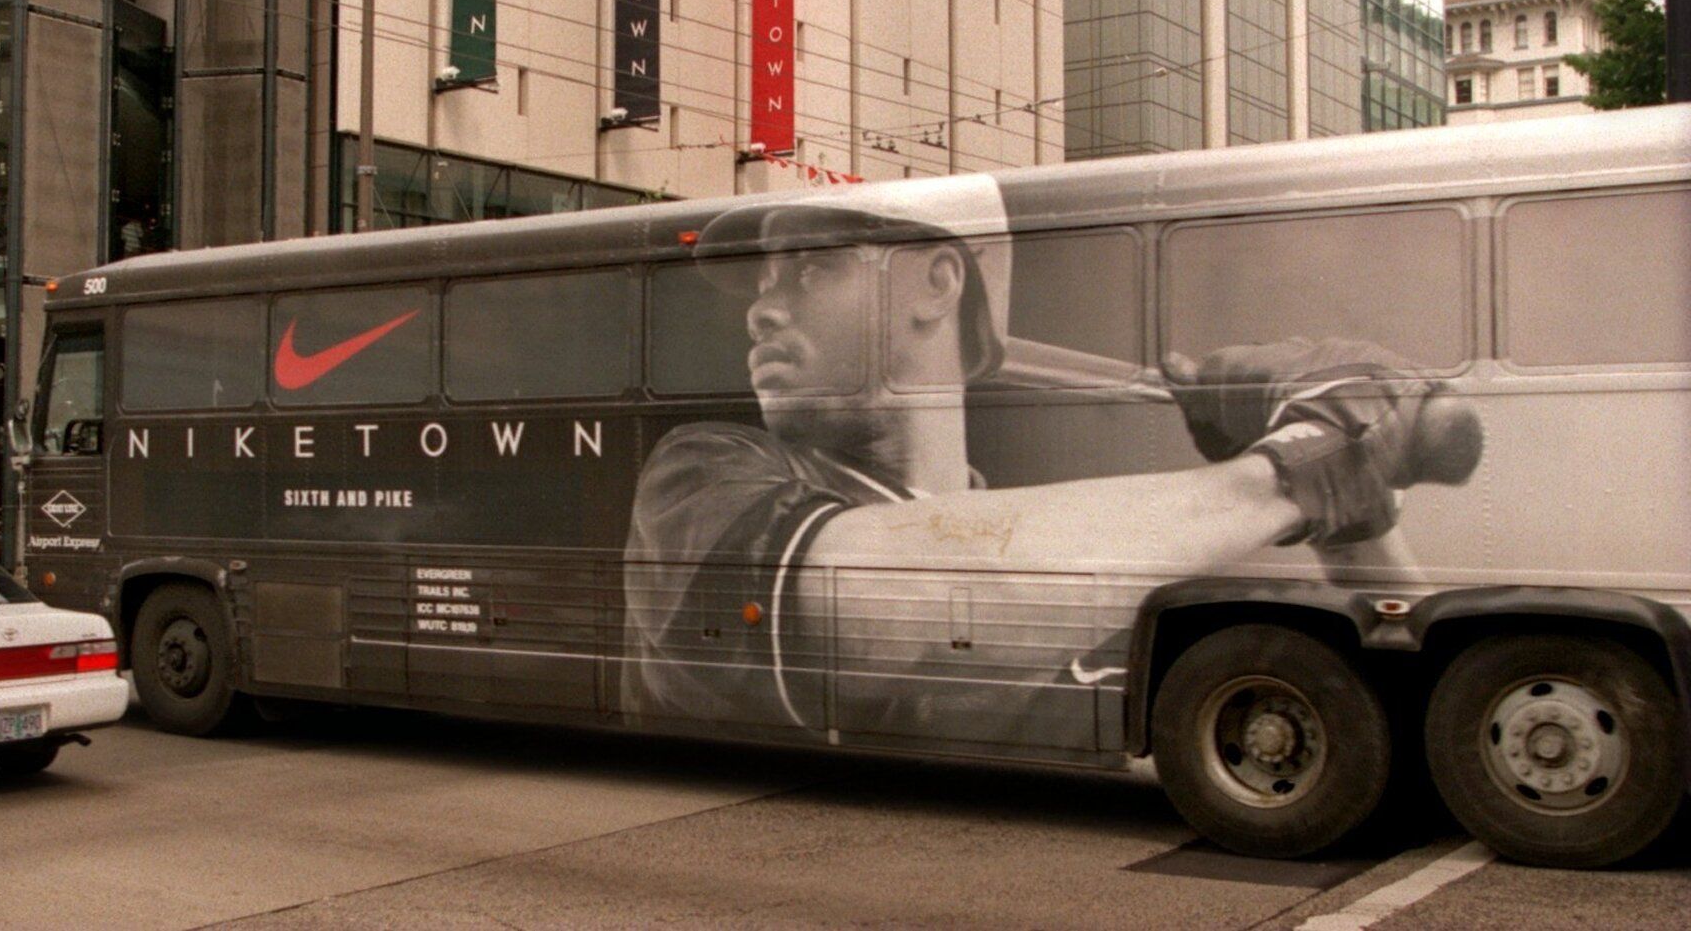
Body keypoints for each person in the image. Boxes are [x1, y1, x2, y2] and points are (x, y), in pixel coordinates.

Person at [624, 190, 1479, 736]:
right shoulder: (705, 470)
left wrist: (1362, 499)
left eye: (808, 269)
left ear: (937, 282)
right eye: (762, 282)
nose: (762, 311)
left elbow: (1412, 683)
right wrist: (1296, 466)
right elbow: (885, 599)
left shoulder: (1080, 531)